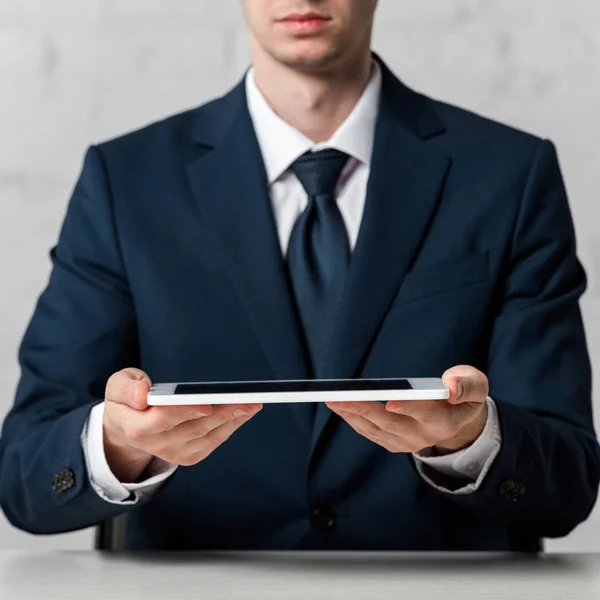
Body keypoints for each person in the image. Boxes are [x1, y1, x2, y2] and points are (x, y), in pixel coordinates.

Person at [1, 0, 599, 552]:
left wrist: (472, 441)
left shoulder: (509, 176)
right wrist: (119, 446)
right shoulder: (125, 182)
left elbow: (568, 484)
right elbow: (24, 475)